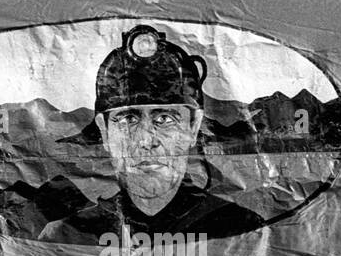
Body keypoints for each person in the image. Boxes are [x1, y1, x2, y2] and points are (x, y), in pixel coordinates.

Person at [39, 25, 261, 244]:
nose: (146, 140)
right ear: (104, 132)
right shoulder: (65, 237)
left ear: (193, 127)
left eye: (164, 119)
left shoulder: (243, 231)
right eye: (127, 120)